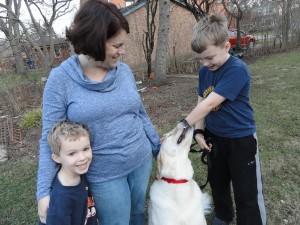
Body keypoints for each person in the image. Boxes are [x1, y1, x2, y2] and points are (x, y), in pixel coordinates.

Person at [36, 1, 160, 225]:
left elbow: (140, 113)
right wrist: (43, 192)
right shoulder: (60, 80)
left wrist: (158, 149)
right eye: (116, 45)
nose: (122, 51)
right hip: (104, 174)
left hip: (140, 160)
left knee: (137, 214)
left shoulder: (124, 71)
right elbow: (49, 138)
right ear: (94, 42)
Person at [176, 15, 266, 225]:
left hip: (241, 140)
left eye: (209, 58)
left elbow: (209, 104)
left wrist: (183, 126)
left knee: (246, 191)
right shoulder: (205, 71)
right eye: (200, 59)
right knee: (218, 183)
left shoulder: (237, 70)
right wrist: (199, 131)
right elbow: (201, 100)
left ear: (226, 46)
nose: (205, 64)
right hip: (215, 138)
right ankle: (223, 216)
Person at [39, 121, 98, 225]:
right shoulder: (60, 198)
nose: (82, 157)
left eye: (85, 149)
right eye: (72, 153)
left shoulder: (80, 175)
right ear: (57, 158)